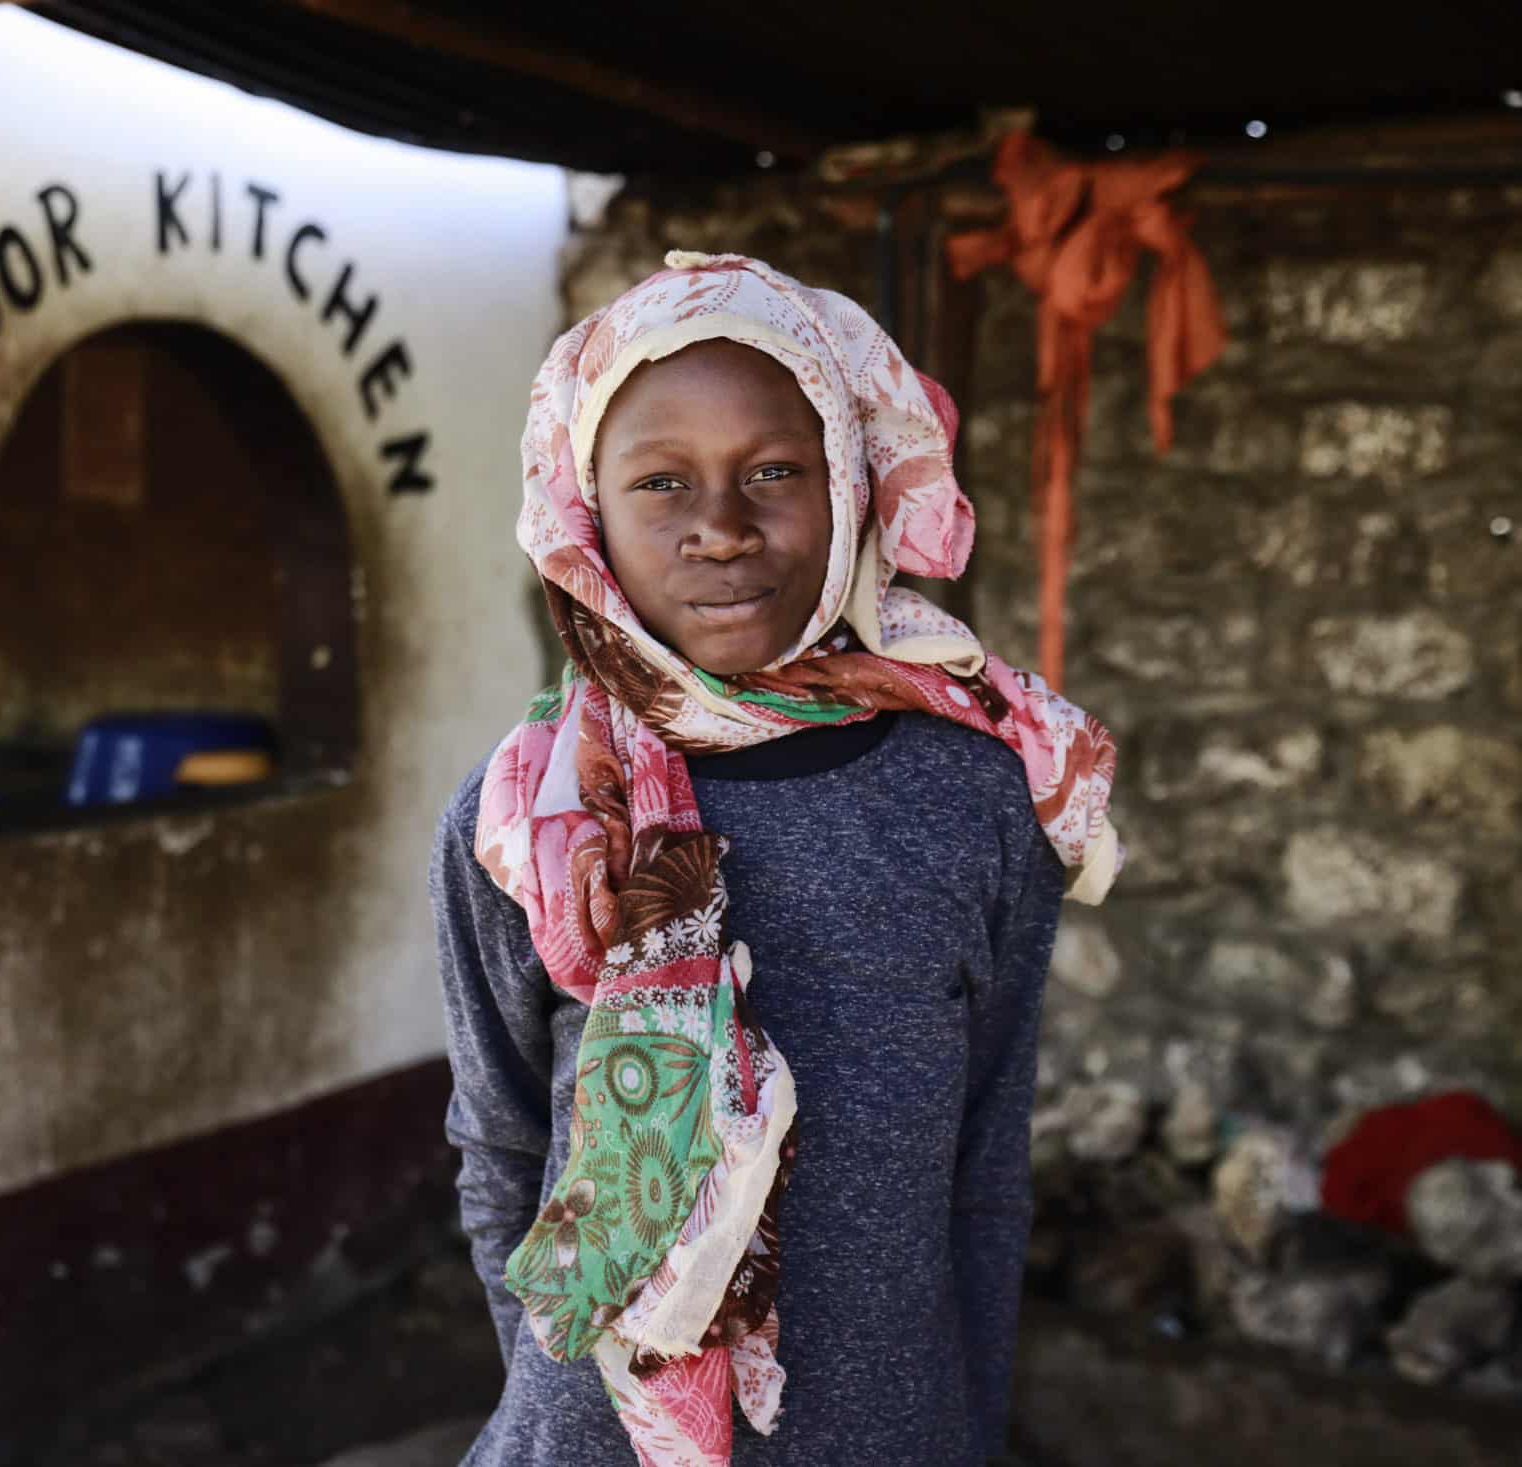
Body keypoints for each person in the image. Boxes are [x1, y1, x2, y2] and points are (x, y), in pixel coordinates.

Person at [429, 252, 1121, 1467]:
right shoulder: (526, 821)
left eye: (774, 471)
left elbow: (983, 1168)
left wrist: (954, 1429)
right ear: (583, 513)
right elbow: (498, 1154)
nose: (721, 527)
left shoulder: (973, 799)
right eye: (659, 481)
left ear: (850, 484)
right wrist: (582, 1407)